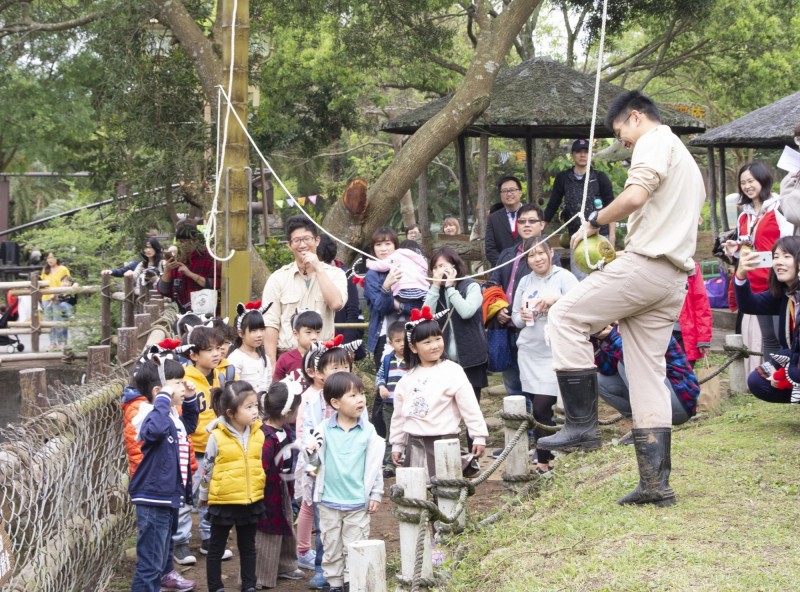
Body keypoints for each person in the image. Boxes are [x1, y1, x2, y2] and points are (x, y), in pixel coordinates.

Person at [538, 90, 706, 507]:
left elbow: (634, 196)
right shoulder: (687, 160)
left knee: (565, 317)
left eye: (619, 133)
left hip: (647, 266)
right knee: (646, 373)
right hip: (673, 280)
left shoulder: (654, 140)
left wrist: (593, 222)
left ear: (635, 118)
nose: (623, 143)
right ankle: (656, 485)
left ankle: (581, 426)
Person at [302, 372, 383, 592]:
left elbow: (374, 466)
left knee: (354, 547)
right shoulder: (323, 430)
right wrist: (311, 459)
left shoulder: (368, 431)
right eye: (353, 395)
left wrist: (375, 493)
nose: (360, 400)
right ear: (335, 403)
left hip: (357, 502)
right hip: (329, 501)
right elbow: (312, 463)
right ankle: (335, 583)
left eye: (362, 394)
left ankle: (352, 583)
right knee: (331, 547)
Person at [295, 337, 362, 590]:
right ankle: (324, 567)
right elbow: (306, 436)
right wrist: (313, 467)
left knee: (351, 520)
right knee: (325, 523)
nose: (341, 372)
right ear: (319, 372)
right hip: (322, 471)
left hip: (349, 470)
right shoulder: (311, 401)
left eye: (345, 366)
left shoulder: (355, 398)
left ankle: (349, 567)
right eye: (334, 368)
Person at [128, 356, 198, 592]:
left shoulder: (169, 414)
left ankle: (165, 578)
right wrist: (164, 398)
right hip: (153, 497)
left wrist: (189, 400)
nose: (182, 386)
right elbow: (154, 431)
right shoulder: (150, 414)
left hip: (168, 494)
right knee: (150, 562)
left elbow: (189, 427)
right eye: (177, 383)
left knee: (164, 547)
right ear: (159, 391)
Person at [390, 308, 488, 476]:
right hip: (415, 443)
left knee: (447, 490)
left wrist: (478, 435)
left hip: (446, 442)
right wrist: (397, 444)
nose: (435, 345)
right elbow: (399, 416)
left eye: (438, 339)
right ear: (414, 347)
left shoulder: (453, 370)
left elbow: (469, 406)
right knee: (416, 493)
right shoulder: (406, 380)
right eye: (427, 342)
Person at [511, 239, 578, 474]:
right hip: (529, 351)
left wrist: (555, 300)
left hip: (554, 352)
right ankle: (544, 462)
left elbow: (579, 305)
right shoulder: (524, 281)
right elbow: (516, 319)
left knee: (542, 407)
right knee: (538, 410)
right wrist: (524, 314)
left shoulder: (564, 277)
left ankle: (544, 459)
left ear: (551, 253)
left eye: (541, 253)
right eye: (531, 255)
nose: (537, 258)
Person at [198, 381, 266, 592]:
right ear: (230, 412)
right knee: (216, 547)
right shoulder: (216, 436)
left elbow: (259, 463)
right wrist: (203, 493)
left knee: (248, 548)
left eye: (255, 405)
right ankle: (215, 586)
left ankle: (249, 585)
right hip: (224, 500)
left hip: (249, 500)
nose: (255, 411)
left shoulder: (258, 433)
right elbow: (207, 467)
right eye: (248, 407)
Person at [723, 162, 793, 364]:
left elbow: (789, 244)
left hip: (778, 281)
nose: (747, 186)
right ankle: (773, 381)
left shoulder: (780, 208)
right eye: (743, 182)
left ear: (763, 180)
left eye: (751, 181)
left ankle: (790, 381)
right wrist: (736, 249)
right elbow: (749, 245)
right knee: (769, 338)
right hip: (755, 282)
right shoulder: (744, 215)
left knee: (785, 336)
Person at [424, 248, 488, 451]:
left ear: (455, 265)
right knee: (443, 409)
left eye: (444, 265)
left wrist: (451, 288)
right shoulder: (436, 291)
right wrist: (436, 287)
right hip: (443, 361)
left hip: (471, 357)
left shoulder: (471, 286)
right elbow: (425, 317)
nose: (440, 270)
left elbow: (467, 311)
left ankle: (473, 453)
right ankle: (446, 454)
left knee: (471, 407)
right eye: (436, 267)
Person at [262, 216, 347, 368]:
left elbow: (336, 303)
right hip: (288, 356)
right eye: (296, 240)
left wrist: (318, 268)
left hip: (323, 357)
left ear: (317, 241)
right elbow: (271, 324)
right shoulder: (277, 278)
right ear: (289, 245)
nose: (302, 245)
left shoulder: (335, 274)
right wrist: (272, 366)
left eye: (307, 239)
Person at [486, 204, 549, 403]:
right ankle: (523, 431)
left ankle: (540, 427)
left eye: (532, 221)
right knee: (513, 383)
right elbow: (493, 284)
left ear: (542, 225)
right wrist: (498, 310)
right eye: (522, 221)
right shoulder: (506, 254)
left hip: (534, 328)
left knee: (536, 384)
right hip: (506, 327)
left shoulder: (544, 257)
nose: (526, 225)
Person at [734, 237, 800, 403]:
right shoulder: (785, 294)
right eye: (775, 257)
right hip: (796, 358)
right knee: (758, 381)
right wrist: (741, 275)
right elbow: (750, 305)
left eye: (786, 256)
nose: (779, 262)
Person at [594, 324, 699, 427]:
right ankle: (641, 424)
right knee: (599, 380)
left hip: (680, 400)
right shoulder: (613, 328)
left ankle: (648, 427)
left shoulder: (647, 323)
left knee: (627, 363)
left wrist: (612, 336)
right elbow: (608, 370)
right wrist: (595, 345)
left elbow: (637, 359)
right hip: (657, 398)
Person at [255, 379, 305, 588]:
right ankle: (261, 576)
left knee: (285, 523)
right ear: (287, 412)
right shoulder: (265, 437)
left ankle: (286, 565)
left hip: (282, 488)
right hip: (267, 492)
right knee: (268, 532)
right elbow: (263, 469)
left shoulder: (285, 430)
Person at [543, 139, 615, 280]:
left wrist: (612, 237)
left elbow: (611, 207)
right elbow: (553, 205)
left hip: (600, 236)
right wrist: (539, 229)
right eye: (579, 152)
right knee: (579, 278)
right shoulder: (563, 178)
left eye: (586, 152)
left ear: (590, 154)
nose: (583, 155)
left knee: (604, 278)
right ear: (572, 155)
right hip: (576, 237)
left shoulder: (600, 177)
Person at [316, 234, 365, 359]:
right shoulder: (308, 275)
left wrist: (346, 346)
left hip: (340, 337)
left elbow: (352, 311)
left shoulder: (345, 274)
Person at [158, 222, 222, 314]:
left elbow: (217, 284)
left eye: (184, 241)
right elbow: (164, 291)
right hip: (181, 313)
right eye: (179, 241)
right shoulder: (178, 260)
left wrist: (190, 274)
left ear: (195, 241)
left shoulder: (209, 259)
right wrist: (167, 270)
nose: (181, 244)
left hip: (205, 313)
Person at [375, 321, 408, 478]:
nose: (402, 344)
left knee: (408, 433)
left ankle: (407, 460)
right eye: (398, 341)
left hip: (407, 404)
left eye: (405, 340)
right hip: (390, 404)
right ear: (390, 342)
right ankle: (390, 464)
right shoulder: (388, 360)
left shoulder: (413, 360)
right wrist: (381, 386)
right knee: (391, 434)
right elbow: (380, 376)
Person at [366, 240, 429, 312]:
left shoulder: (397, 255)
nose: (383, 249)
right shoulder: (420, 259)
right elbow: (425, 270)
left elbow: (382, 265)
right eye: (378, 244)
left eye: (388, 244)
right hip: (422, 292)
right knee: (420, 308)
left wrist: (369, 263)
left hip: (404, 290)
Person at [227, 302, 273, 393]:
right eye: (254, 330)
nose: (259, 335)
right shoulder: (235, 358)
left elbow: (268, 386)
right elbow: (233, 391)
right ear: (241, 333)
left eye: (262, 329)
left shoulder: (265, 358)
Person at [675, 262, 713, 368]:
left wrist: (703, 339)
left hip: (683, 332)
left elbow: (701, 303)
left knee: (683, 378)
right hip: (656, 331)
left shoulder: (691, 266)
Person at [273, 310, 323, 386]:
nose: (314, 337)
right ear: (296, 334)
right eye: (308, 332)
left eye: (318, 332)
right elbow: (276, 386)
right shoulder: (285, 359)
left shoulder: (324, 357)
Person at [485, 176, 524, 266]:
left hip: (528, 269)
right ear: (500, 194)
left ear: (520, 193)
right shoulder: (493, 218)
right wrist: (506, 266)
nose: (509, 194)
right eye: (505, 191)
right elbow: (490, 249)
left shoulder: (531, 214)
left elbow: (538, 240)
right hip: (502, 270)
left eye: (512, 190)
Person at [40, 252, 71, 351]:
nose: (50, 260)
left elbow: (68, 282)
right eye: (48, 258)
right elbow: (42, 284)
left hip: (58, 298)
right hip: (46, 298)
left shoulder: (63, 269)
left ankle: (61, 343)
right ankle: (52, 343)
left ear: (57, 258)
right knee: (49, 321)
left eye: (52, 257)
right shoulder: (45, 270)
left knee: (58, 320)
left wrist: (59, 294)